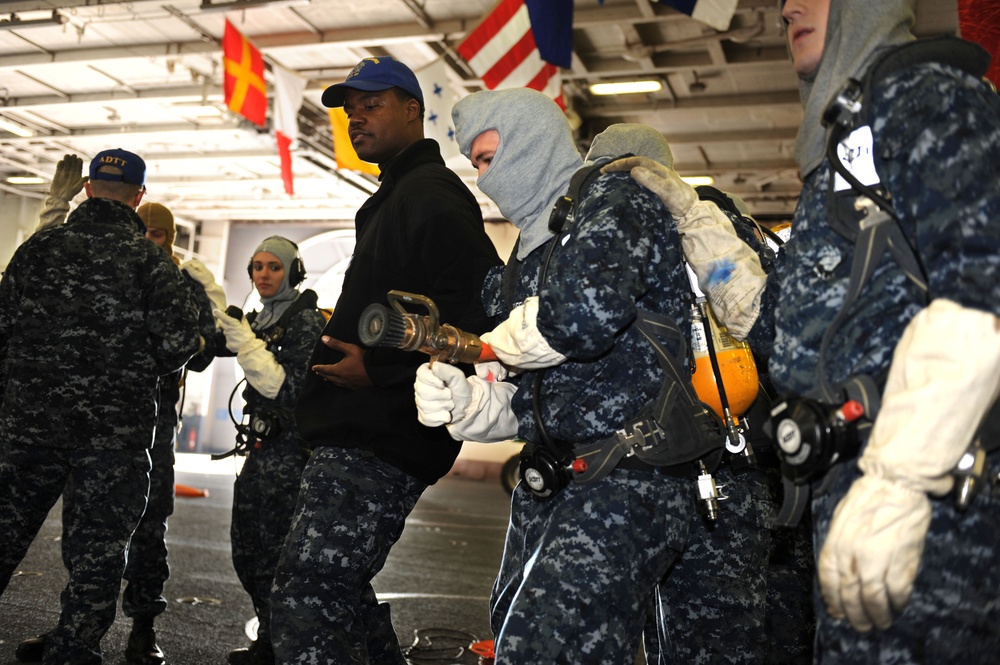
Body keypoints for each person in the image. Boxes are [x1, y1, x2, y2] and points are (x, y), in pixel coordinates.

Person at [608, 0, 1000, 661]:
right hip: (849, 491)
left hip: (934, 501)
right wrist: (694, 220)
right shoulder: (836, 163)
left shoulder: (924, 94)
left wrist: (902, 477)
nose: (787, 7)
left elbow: (985, 285)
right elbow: (782, 333)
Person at [415, 88, 772, 664]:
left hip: (681, 471)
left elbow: (581, 323)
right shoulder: (535, 263)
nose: (486, 178)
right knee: (527, 633)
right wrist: (473, 402)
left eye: (489, 158)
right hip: (572, 475)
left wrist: (487, 346)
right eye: (476, 164)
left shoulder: (647, 220)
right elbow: (550, 392)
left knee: (704, 641)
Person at [268, 56, 502, 663]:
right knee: (337, 596)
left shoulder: (428, 194)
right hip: (358, 429)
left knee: (307, 598)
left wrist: (380, 370)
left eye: (371, 105)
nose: (355, 119)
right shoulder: (398, 194)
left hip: (379, 432)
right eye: (350, 111)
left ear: (412, 110)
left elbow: (478, 310)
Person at [585, 122, 815, 664]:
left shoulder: (707, 228)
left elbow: (766, 325)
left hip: (730, 474)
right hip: (699, 471)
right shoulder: (623, 248)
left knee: (726, 638)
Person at [0, 149, 203, 665]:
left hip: (29, 428)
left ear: (87, 188)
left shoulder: (39, 249)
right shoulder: (150, 261)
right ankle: (72, 651)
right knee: (97, 555)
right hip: (112, 440)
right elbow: (180, 344)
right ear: (139, 198)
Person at [209, 236, 327, 665]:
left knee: (280, 553)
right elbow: (209, 342)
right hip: (259, 452)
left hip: (291, 456)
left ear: (293, 271)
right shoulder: (259, 320)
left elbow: (290, 390)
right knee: (247, 550)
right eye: (257, 267)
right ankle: (269, 639)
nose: (263, 275)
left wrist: (248, 345)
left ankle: (287, 648)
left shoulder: (306, 323)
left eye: (274, 267)